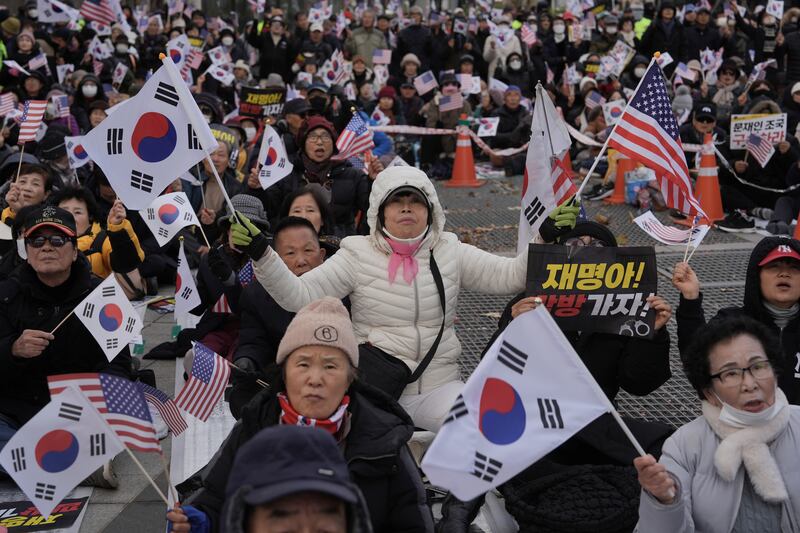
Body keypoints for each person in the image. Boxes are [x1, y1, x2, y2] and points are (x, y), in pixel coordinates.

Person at [230, 166, 552, 433]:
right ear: (380, 212)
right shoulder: (356, 253)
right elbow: (297, 297)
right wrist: (262, 253)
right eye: (397, 201)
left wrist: (544, 237)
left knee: (484, 429)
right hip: (375, 392)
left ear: (431, 210)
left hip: (440, 387)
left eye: (417, 200)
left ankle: (461, 507)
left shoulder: (450, 249)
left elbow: (510, 275)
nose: (407, 207)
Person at [170, 297, 434, 532]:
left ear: (350, 378)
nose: (315, 379)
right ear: (284, 373)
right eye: (303, 364)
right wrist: (197, 521)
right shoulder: (255, 424)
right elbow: (214, 498)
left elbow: (414, 522)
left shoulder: (385, 438)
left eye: (331, 366)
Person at [0, 206, 133, 484]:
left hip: (76, 413)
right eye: (37, 241)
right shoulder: (6, 294)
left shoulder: (103, 295)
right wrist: (13, 350)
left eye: (57, 240)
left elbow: (118, 367)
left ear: (74, 250)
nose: (46, 247)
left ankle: (42, 464)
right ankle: (73, 469)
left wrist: (92, 404)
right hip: (17, 412)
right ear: (27, 250)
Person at [634, 316, 800, 531]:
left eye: (758, 366)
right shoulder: (685, 444)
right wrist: (664, 502)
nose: (750, 384)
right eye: (730, 373)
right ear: (709, 393)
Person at [673, 237, 800, 405]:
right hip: (739, 427)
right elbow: (696, 362)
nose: (784, 273)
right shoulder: (731, 323)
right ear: (756, 276)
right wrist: (690, 299)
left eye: (795, 267)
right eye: (773, 266)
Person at [230, 216, 329, 418]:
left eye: (308, 251)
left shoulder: (342, 288)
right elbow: (254, 340)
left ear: (322, 255)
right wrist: (246, 360)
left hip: (331, 377)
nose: (301, 261)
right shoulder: (257, 294)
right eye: (290, 253)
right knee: (243, 396)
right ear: (274, 258)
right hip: (281, 378)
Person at [255, 116, 381, 237]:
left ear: (333, 143)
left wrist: (374, 181)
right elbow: (270, 208)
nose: (320, 142)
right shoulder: (286, 173)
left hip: (342, 247)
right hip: (295, 242)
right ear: (303, 143)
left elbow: (371, 207)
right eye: (313, 137)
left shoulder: (353, 174)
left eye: (326, 137)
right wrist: (257, 188)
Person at [52, 186, 146, 299]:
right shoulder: (42, 243)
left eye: (77, 212)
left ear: (90, 216)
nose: (70, 216)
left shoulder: (102, 240)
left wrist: (118, 230)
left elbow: (126, 263)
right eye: (64, 211)